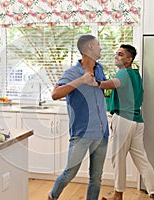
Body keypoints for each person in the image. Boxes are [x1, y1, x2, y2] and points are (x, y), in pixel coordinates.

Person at [48, 35, 109, 200]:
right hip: (82, 132)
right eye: (98, 45)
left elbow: (101, 89)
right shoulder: (72, 72)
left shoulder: (99, 68)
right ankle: (52, 196)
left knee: (96, 177)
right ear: (89, 47)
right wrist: (81, 80)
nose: (100, 48)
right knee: (70, 173)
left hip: (102, 132)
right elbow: (55, 94)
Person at [98, 44, 154, 200]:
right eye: (116, 53)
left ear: (129, 59)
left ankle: (118, 195)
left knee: (118, 158)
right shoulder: (135, 74)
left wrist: (94, 82)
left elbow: (110, 85)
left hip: (124, 121)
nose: (116, 56)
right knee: (142, 160)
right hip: (137, 121)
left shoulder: (123, 72)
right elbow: (140, 96)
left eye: (120, 54)